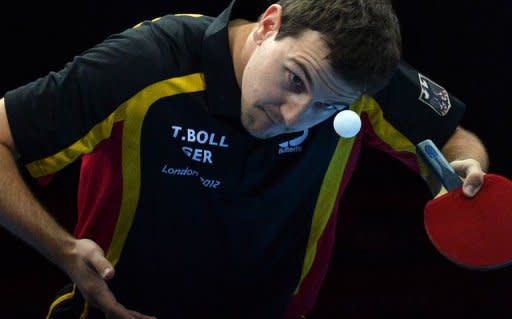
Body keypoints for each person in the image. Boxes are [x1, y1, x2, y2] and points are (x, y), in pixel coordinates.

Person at [0, 0, 489, 318]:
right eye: (296, 79)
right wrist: (63, 251)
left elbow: (454, 140)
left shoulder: (356, 80)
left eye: (328, 107)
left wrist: (460, 168)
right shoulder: (149, 61)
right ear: (269, 25)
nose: (295, 114)